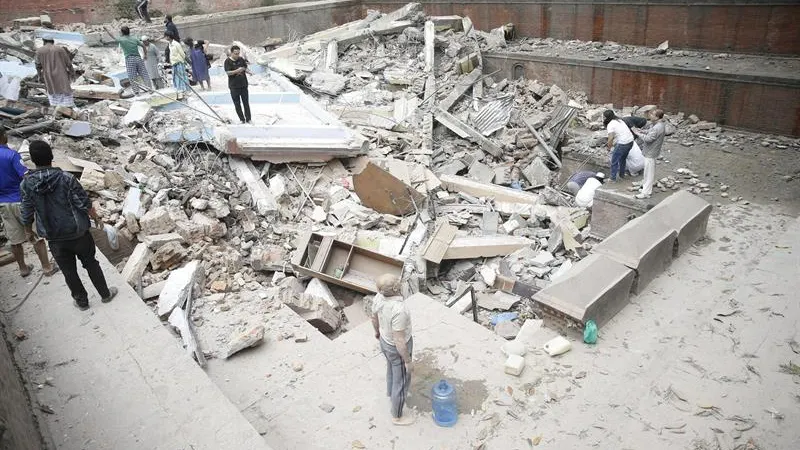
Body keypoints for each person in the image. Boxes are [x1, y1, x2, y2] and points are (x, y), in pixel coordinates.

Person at [20, 141, 118, 311]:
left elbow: (27, 210)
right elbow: (83, 202)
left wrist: (28, 230)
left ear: (33, 161)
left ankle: (82, 302)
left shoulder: (26, 184)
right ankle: (105, 294)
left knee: (68, 270)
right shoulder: (66, 178)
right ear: (51, 157)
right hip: (78, 232)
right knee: (91, 263)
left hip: (54, 236)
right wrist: (96, 218)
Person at [0, 128, 57, 278]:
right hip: (21, 200)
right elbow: (25, 176)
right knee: (34, 234)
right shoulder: (11, 155)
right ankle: (46, 267)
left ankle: (23, 269)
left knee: (15, 239)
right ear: (4, 136)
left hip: (3, 204)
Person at [371, 274, 415, 426]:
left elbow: (374, 318)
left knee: (391, 368)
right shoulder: (399, 309)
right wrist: (408, 361)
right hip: (397, 348)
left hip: (384, 341)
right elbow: (399, 340)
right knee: (401, 381)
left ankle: (390, 393)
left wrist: (377, 332)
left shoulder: (378, 298)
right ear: (397, 288)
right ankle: (397, 415)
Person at [35, 38, 75, 117]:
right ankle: (66, 111)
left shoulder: (39, 51)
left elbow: (38, 65)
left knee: (52, 91)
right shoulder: (60, 49)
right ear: (53, 42)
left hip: (48, 75)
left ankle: (56, 111)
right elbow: (68, 63)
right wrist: (72, 73)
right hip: (61, 75)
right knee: (65, 91)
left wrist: (39, 76)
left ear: (44, 42)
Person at [632, 109, 667, 199]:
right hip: (651, 152)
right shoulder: (658, 125)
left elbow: (648, 139)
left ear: (657, 117)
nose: (650, 116)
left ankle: (646, 193)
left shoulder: (657, 127)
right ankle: (646, 189)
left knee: (649, 173)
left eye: (652, 115)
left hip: (651, 152)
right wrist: (642, 131)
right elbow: (651, 133)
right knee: (647, 172)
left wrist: (637, 133)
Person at [110, 26, 151, 94]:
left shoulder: (121, 39)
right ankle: (150, 89)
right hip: (138, 58)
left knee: (132, 77)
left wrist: (107, 30)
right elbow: (143, 46)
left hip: (129, 59)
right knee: (144, 74)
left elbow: (112, 36)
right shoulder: (134, 39)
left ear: (122, 32)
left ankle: (137, 92)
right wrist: (145, 55)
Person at [604, 109, 635, 182]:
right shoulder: (620, 120)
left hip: (623, 143)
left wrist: (609, 147)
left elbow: (610, 138)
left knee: (614, 161)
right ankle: (622, 174)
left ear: (606, 117)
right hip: (630, 141)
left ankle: (612, 178)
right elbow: (620, 133)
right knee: (622, 159)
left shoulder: (610, 124)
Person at [224, 45, 252, 123]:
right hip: (234, 86)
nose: (237, 55)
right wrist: (237, 70)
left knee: (246, 103)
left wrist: (248, 72)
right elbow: (228, 73)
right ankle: (242, 119)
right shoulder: (227, 61)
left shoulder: (241, 59)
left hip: (243, 85)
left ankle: (248, 119)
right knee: (237, 104)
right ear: (231, 53)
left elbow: (244, 67)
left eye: (238, 53)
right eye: (235, 53)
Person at [165, 32, 189, 100]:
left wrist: (184, 62)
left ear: (169, 36)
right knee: (176, 78)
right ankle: (179, 91)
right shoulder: (170, 44)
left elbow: (182, 53)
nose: (165, 38)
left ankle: (184, 91)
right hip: (174, 63)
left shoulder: (176, 44)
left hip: (179, 62)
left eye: (166, 36)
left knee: (181, 77)